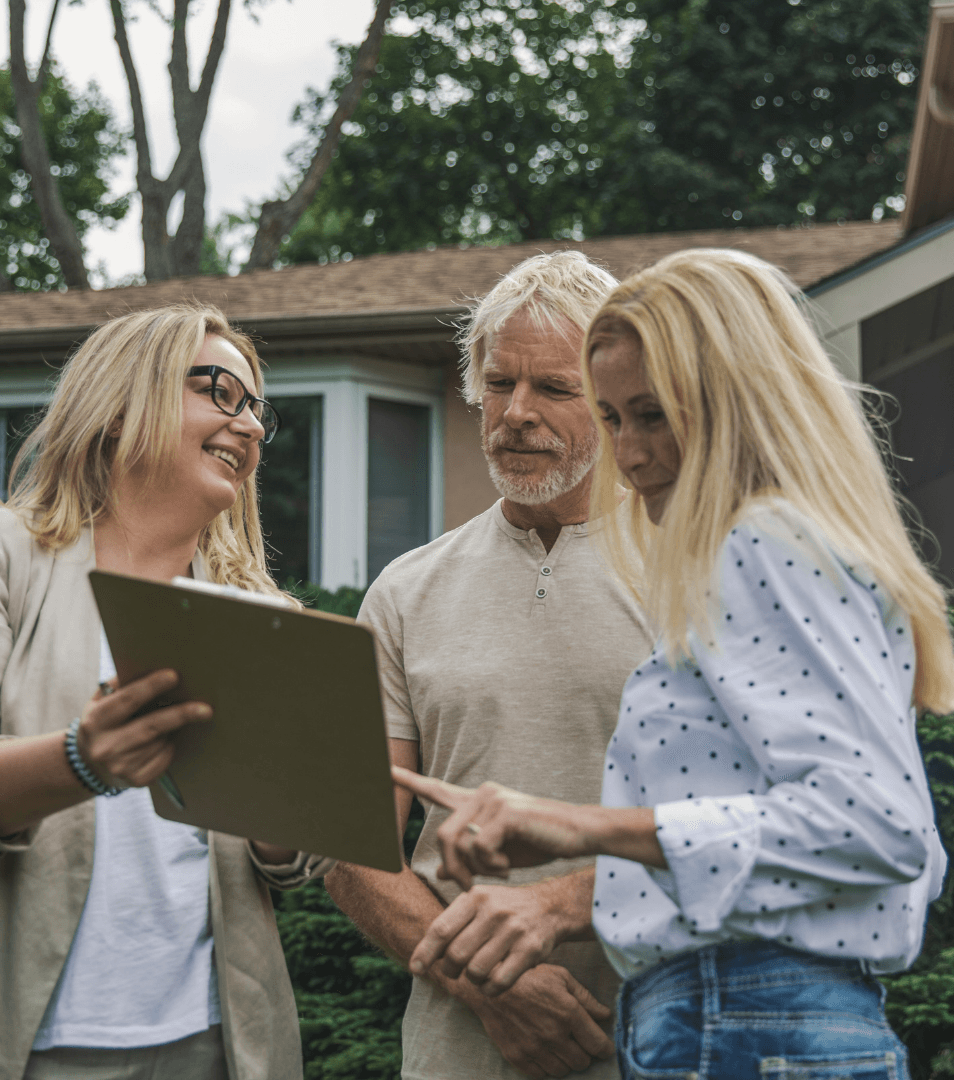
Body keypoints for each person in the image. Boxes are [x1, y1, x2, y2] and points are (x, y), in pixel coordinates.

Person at [394, 248, 954, 1080]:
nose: (630, 452)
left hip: (744, 1019)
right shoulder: (785, 545)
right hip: (768, 1017)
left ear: (738, 398)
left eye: (652, 414)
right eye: (616, 416)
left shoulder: (762, 544)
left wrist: (574, 827)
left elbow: (877, 826)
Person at [0, 305, 333, 1080]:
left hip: (217, 1045)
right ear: (121, 406)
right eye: (221, 391)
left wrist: (292, 812)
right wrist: (80, 762)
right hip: (21, 1045)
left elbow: (291, 864)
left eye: (257, 408)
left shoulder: (260, 617)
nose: (250, 426)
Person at [324, 251, 654, 1080]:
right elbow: (351, 843)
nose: (516, 413)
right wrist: (492, 988)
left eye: (554, 389)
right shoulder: (405, 590)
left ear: (611, 401)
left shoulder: (694, 567)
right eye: (499, 383)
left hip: (659, 1030)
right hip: (460, 1048)